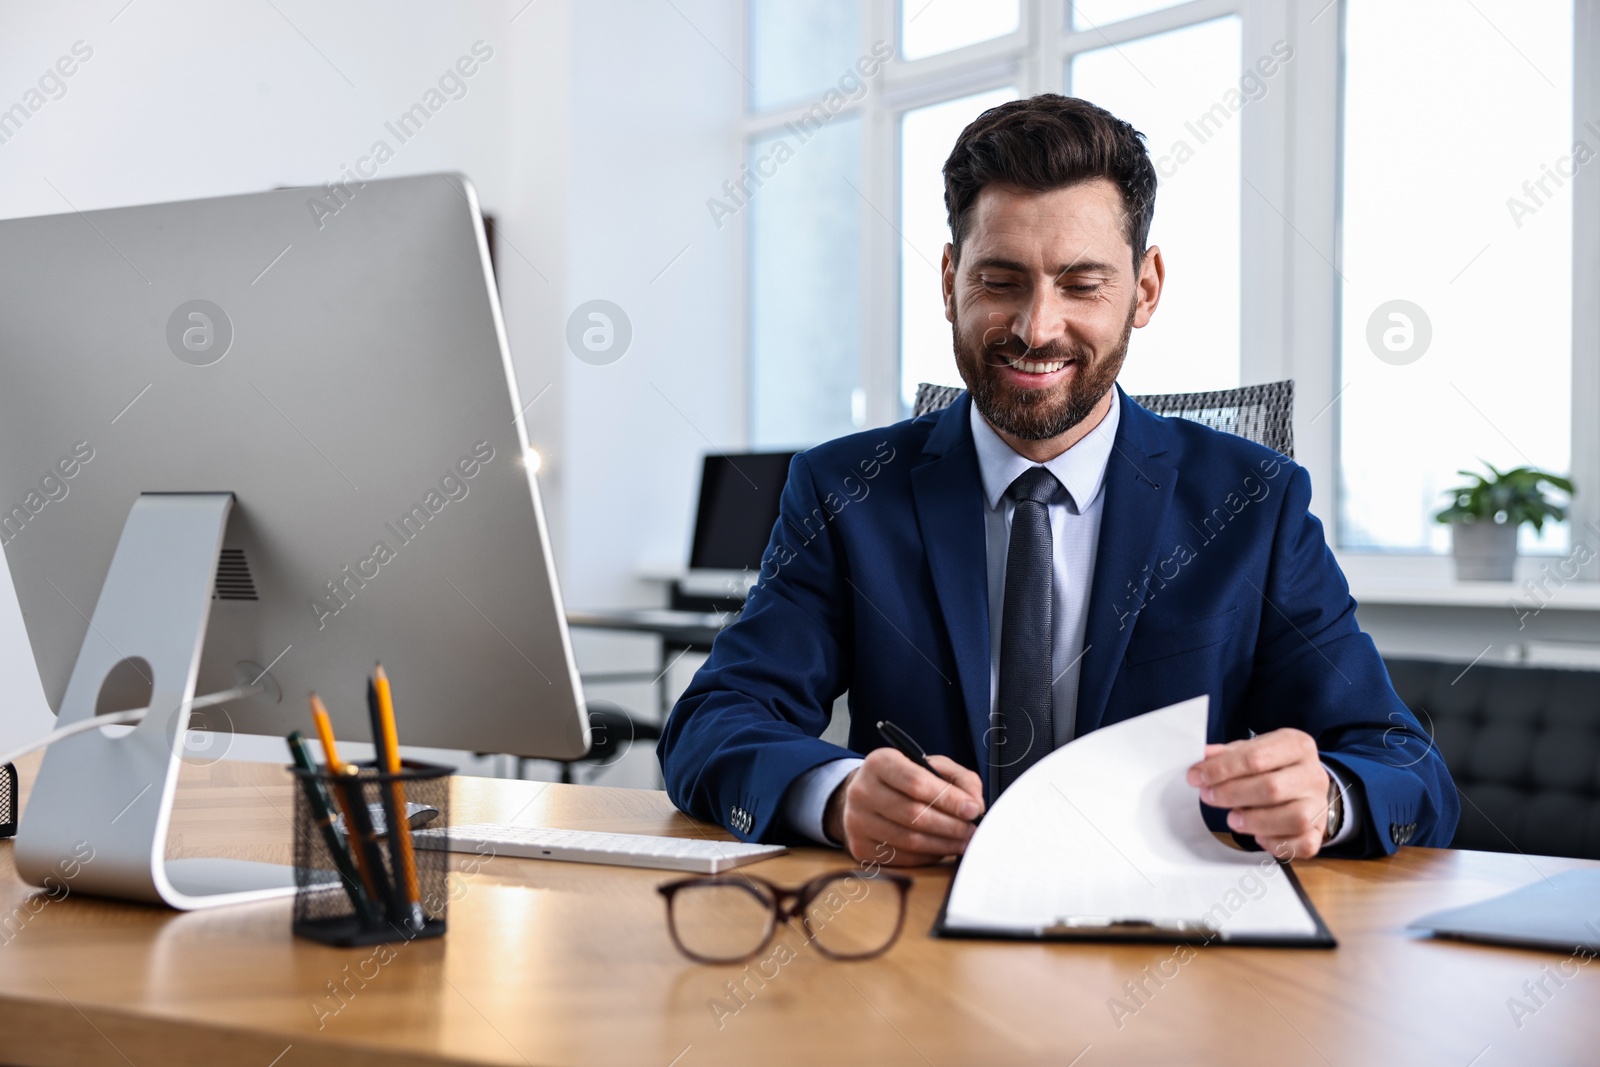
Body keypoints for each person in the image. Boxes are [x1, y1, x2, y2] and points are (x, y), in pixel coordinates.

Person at [657, 93, 1458, 865]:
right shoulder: (845, 490)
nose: (1036, 329)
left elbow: (1404, 767)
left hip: (1165, 944)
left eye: (1081, 284)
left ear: (1144, 290)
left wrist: (1328, 796)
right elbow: (715, 721)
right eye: (1000, 281)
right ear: (948, 282)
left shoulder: (1256, 502)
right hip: (912, 937)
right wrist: (833, 796)